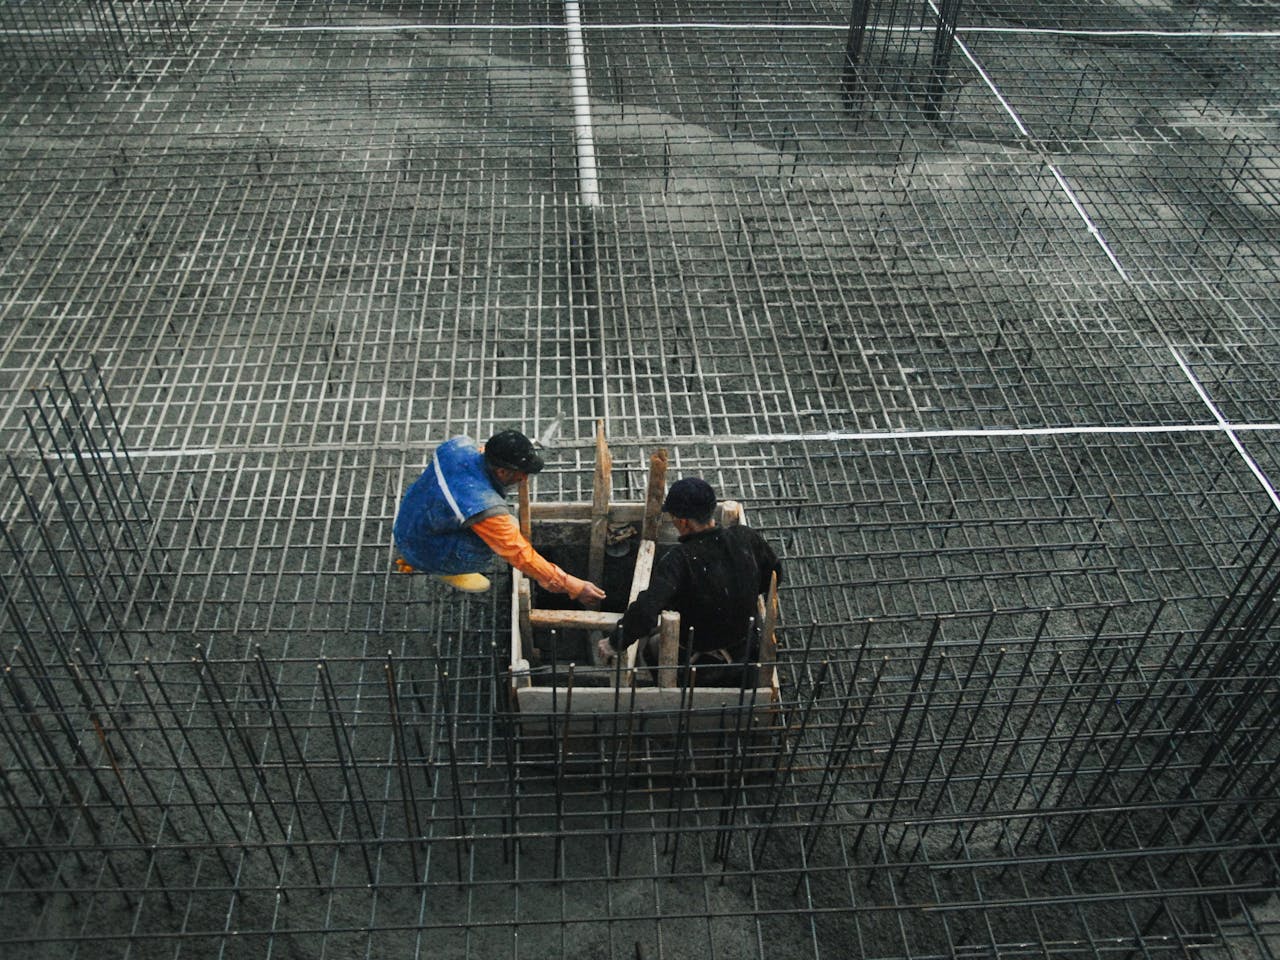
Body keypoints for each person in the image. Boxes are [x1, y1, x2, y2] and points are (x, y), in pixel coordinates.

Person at [598, 477, 781, 686]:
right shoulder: (745, 537)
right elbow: (775, 574)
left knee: (651, 646)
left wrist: (614, 642)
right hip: (744, 649)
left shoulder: (679, 560)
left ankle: (679, 690)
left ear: (683, 521)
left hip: (698, 659)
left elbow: (646, 611)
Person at [393, 430, 606, 602]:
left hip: (409, 520)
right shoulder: (481, 504)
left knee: (505, 527)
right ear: (502, 472)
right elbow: (518, 553)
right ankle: (442, 569)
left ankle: (418, 555)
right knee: (497, 540)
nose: (524, 478)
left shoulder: (459, 445)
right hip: (423, 547)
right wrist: (571, 585)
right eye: (521, 473)